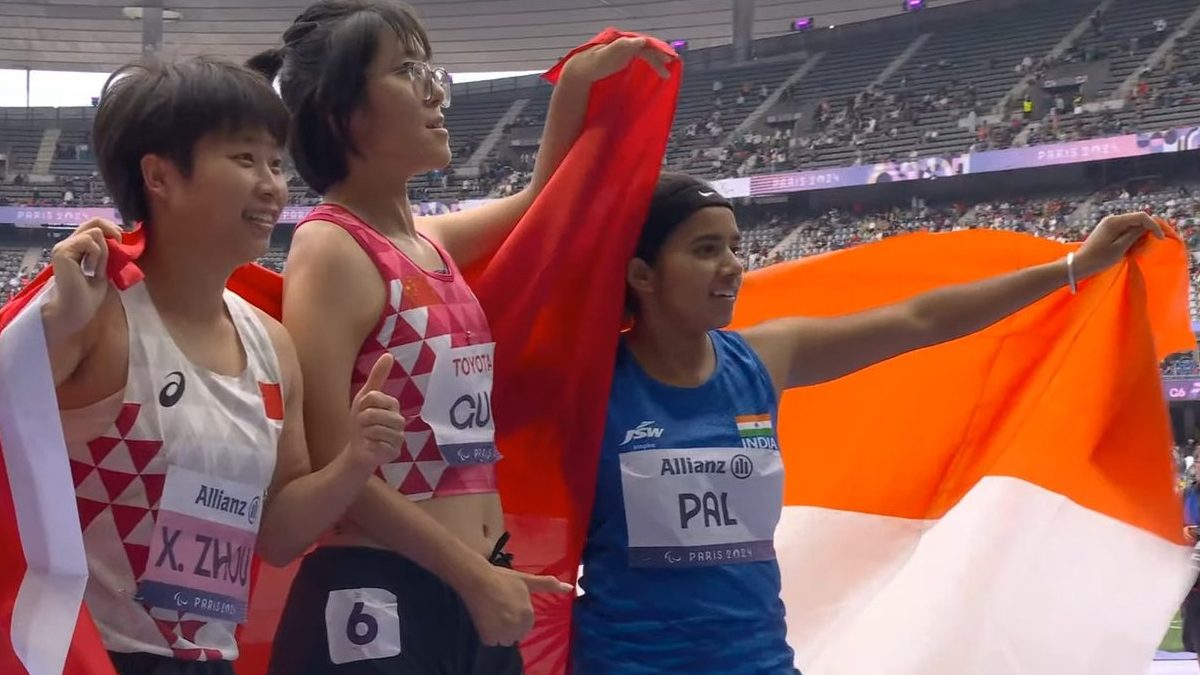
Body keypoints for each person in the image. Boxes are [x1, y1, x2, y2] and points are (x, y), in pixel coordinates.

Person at [571, 172, 1163, 674]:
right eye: (704, 250)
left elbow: (920, 319)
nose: (732, 266)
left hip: (757, 661)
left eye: (732, 246)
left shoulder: (765, 359)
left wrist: (1074, 267)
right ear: (642, 275)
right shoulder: (588, 387)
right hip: (626, 662)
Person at [244, 2, 673, 673]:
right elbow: (334, 467)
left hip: (477, 587)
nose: (434, 88)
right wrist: (475, 578)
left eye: (429, 67)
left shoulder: (429, 243)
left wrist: (573, 89)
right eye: (405, 69)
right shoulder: (330, 248)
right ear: (342, 115)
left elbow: (540, 201)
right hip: (381, 593)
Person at [37, 56, 406, 675]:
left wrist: (354, 462)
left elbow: (280, 536)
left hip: (211, 659)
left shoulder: (271, 343)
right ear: (158, 175)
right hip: (92, 655)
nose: (271, 185)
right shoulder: (96, 317)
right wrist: (55, 325)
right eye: (243, 159)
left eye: (275, 163)